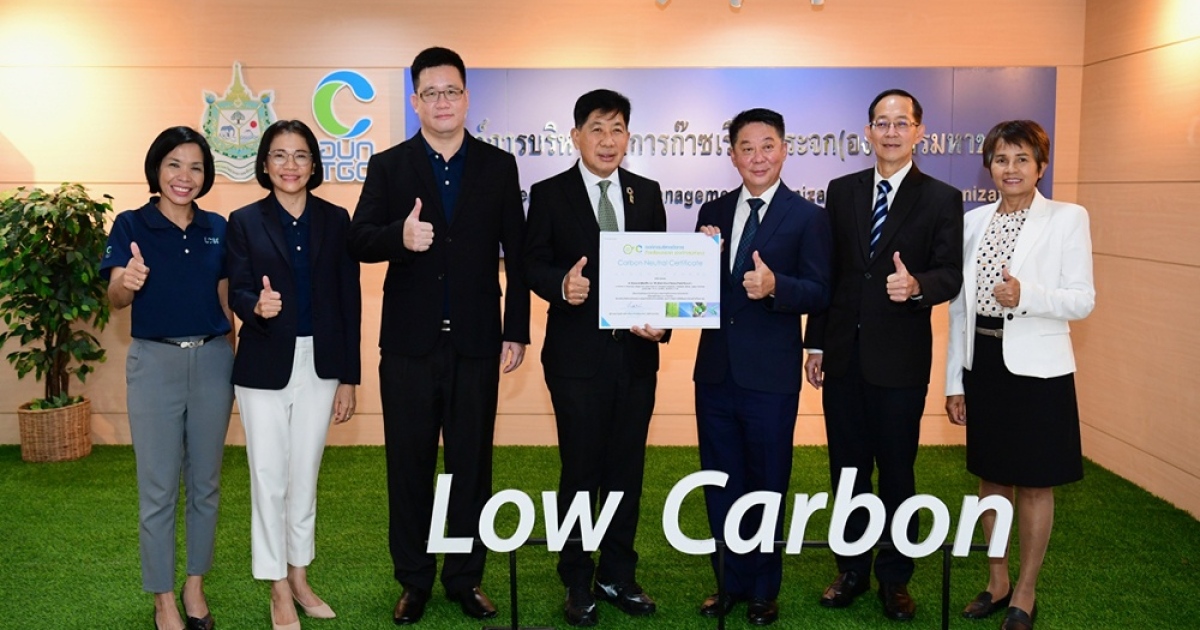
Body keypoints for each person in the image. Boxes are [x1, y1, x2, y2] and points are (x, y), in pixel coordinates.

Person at [347, 46, 530, 625]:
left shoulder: (498, 166)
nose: (442, 101)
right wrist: (399, 239)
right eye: (431, 93)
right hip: (408, 345)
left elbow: (518, 253)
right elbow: (359, 238)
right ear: (415, 101)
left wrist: (516, 329)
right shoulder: (390, 165)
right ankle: (414, 579)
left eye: (452, 91)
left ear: (466, 97)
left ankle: (465, 577)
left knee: (471, 466)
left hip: (477, 341)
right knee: (409, 466)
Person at [803, 89, 963, 621]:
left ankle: (895, 577)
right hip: (843, 358)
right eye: (881, 122)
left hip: (899, 361)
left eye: (901, 123)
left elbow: (950, 273)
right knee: (847, 472)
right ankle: (851, 569)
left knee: (897, 472)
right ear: (867, 131)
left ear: (919, 131)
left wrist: (917, 286)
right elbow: (830, 274)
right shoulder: (842, 191)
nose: (891, 132)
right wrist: (816, 342)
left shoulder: (940, 198)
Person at [523, 89, 668, 627]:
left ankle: (618, 573)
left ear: (629, 137)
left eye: (618, 129)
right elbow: (530, 263)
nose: (608, 141)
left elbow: (659, 270)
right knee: (581, 469)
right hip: (576, 360)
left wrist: (663, 322)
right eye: (597, 129)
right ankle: (577, 577)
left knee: (627, 469)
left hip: (635, 358)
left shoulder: (646, 193)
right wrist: (561, 285)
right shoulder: (550, 193)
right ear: (576, 136)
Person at [945, 120, 1094, 630]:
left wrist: (1027, 295)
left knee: (1033, 484)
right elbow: (959, 310)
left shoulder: (1067, 218)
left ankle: (1025, 593)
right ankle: (997, 580)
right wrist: (954, 381)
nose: (1010, 169)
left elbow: (1083, 300)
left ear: (1041, 166)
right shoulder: (972, 222)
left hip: (1039, 372)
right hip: (984, 365)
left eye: (1022, 159)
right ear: (989, 165)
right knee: (991, 478)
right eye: (1001, 159)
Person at [693, 108, 833, 626]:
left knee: (768, 481)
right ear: (732, 155)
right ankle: (728, 582)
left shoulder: (807, 217)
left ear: (784, 150)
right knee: (720, 482)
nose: (757, 157)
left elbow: (820, 291)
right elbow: (698, 292)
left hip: (770, 377)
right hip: (715, 373)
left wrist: (777, 287)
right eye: (746, 148)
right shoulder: (713, 210)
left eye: (767, 146)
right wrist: (698, 261)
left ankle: (763, 589)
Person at [225, 120, 362, 630]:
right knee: (268, 477)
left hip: (321, 365)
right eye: (279, 155)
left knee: (304, 474)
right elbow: (238, 288)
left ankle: (300, 576)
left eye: (300, 155)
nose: (290, 165)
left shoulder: (336, 219)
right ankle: (277, 587)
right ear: (264, 164)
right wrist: (254, 306)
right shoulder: (244, 220)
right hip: (263, 365)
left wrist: (349, 377)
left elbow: (350, 301)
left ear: (313, 164)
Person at [101, 126, 235, 630]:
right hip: (154, 364)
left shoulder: (218, 227)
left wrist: (233, 359)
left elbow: (225, 302)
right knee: (158, 488)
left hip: (213, 362)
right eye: (174, 164)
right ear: (156, 168)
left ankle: (194, 587)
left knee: (206, 484)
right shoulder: (131, 224)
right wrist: (128, 282)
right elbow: (115, 296)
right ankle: (162, 598)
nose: (185, 176)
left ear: (206, 175)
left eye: (196, 167)